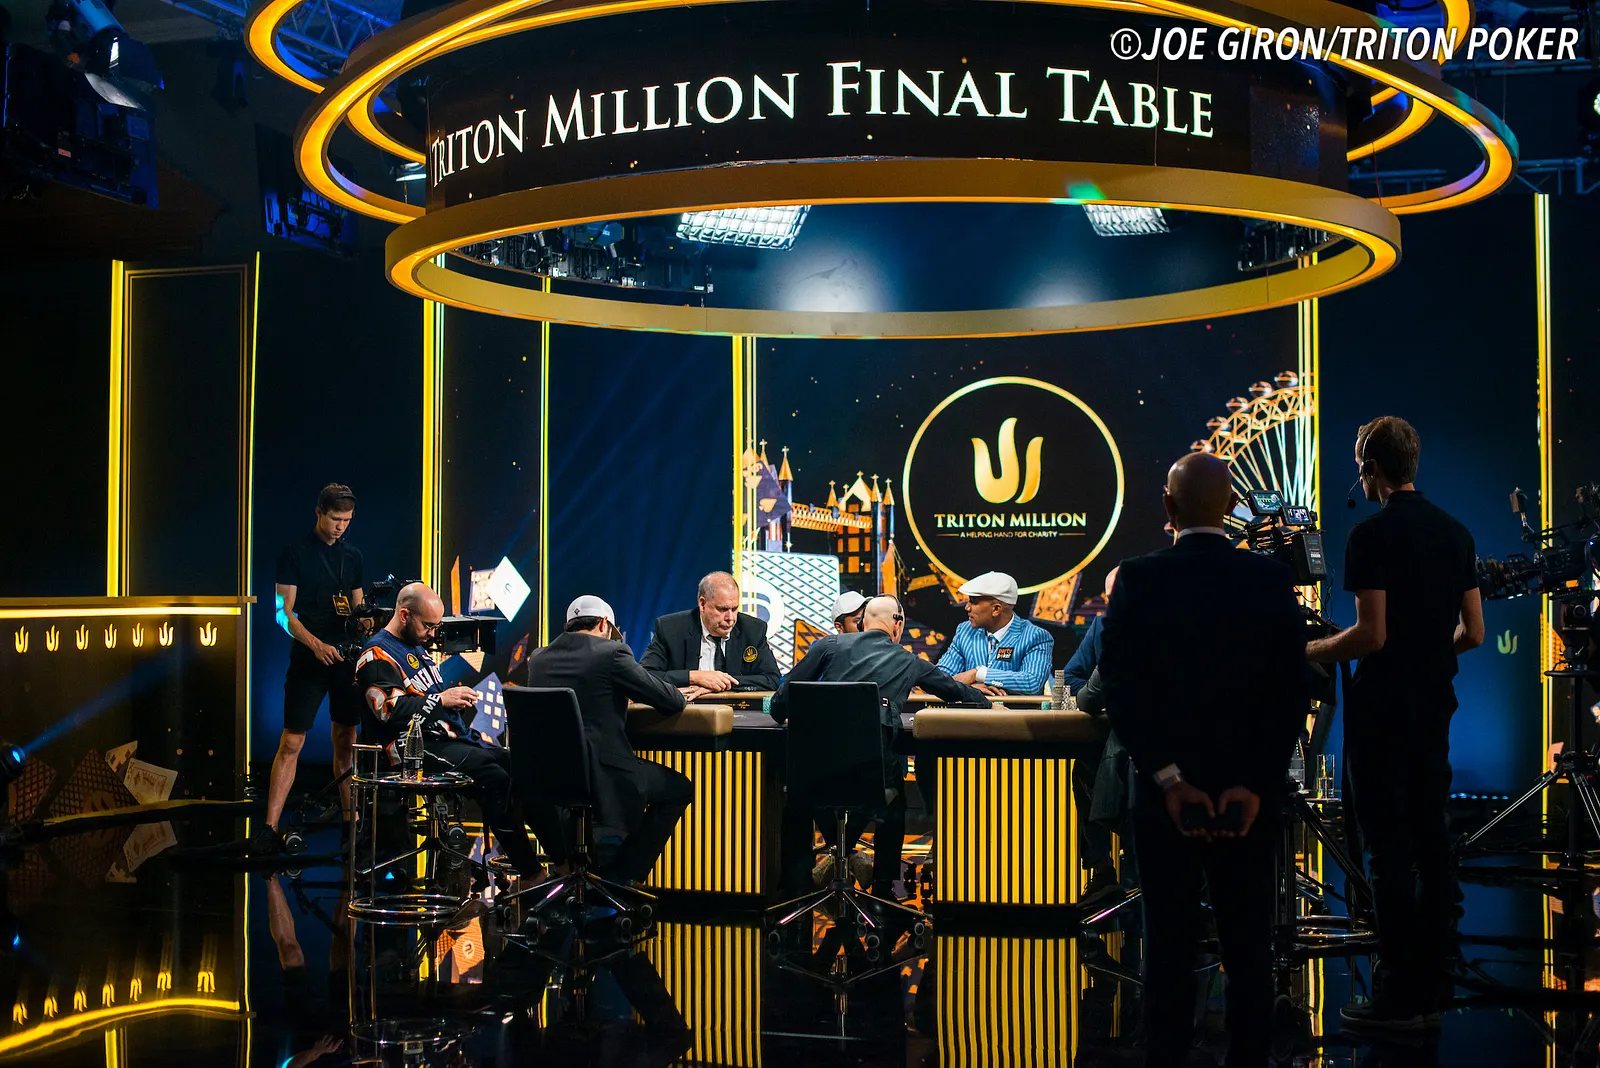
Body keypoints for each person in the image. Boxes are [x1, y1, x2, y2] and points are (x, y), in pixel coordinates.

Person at [1098, 453, 1307, 1068]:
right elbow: (1290, 691)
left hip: (1165, 798)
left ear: (1168, 507)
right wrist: (1255, 783)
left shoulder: (1137, 578)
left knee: (1167, 944)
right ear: (1232, 507)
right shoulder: (1270, 579)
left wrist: (1169, 778)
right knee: (1248, 946)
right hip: (1249, 798)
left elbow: (1120, 689)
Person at [1307, 416, 1483, 1032]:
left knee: (1386, 848)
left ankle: (1398, 995)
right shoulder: (1457, 532)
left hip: (1382, 710)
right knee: (1432, 841)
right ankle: (1435, 985)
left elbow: (1372, 635)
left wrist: (1309, 650)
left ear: (1370, 468)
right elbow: (1474, 633)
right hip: (1434, 705)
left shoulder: (1370, 535)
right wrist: (1428, 651)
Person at [771, 595, 989, 898]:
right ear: (897, 625)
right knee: (894, 794)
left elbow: (781, 702)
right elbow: (956, 692)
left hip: (811, 780)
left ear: (862, 623)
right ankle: (883, 892)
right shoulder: (908, 661)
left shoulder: (828, 646)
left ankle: (794, 892)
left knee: (797, 800)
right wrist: (989, 703)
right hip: (870, 783)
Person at [353, 582, 546, 874]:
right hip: (407, 749)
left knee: (519, 766)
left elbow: (430, 702)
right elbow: (387, 712)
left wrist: (451, 702)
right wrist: (441, 700)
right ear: (404, 615)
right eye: (428, 626)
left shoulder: (417, 647)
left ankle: (560, 861)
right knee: (494, 777)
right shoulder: (377, 654)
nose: (433, 634)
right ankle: (530, 872)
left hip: (443, 740)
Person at [527, 595, 699, 883]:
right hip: (602, 775)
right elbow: (669, 700)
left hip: (550, 776)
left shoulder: (538, 658)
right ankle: (624, 877)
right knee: (679, 789)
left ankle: (589, 870)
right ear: (604, 624)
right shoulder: (612, 653)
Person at [261, 483, 367, 852]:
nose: (341, 526)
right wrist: (316, 645)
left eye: (347, 521)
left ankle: (352, 825)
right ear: (319, 512)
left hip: (345, 660)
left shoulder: (353, 556)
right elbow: (282, 613)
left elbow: (358, 608)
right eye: (336, 518)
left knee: (346, 742)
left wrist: (367, 623)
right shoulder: (295, 553)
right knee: (292, 741)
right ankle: (269, 827)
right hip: (309, 657)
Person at [1059, 565, 1121, 901]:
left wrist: (1104, 693)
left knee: (1088, 768)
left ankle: (1104, 870)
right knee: (1086, 764)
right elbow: (1071, 677)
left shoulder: (1120, 635)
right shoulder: (1101, 625)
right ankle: (1102, 870)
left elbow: (1086, 699)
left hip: (1143, 751)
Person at [641, 571, 781, 692]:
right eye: (722, 609)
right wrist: (695, 677)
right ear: (702, 604)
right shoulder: (670, 629)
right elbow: (645, 676)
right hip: (685, 710)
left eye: (734, 609)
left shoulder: (753, 630)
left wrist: (721, 684)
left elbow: (772, 679)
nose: (730, 618)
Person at [936, 571, 1054, 697]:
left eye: (973, 602)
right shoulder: (965, 631)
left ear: (996, 609)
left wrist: (978, 674)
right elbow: (938, 679)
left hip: (1012, 709)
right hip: (971, 709)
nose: (967, 607)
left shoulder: (1035, 636)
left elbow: (1032, 682)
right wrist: (968, 689)